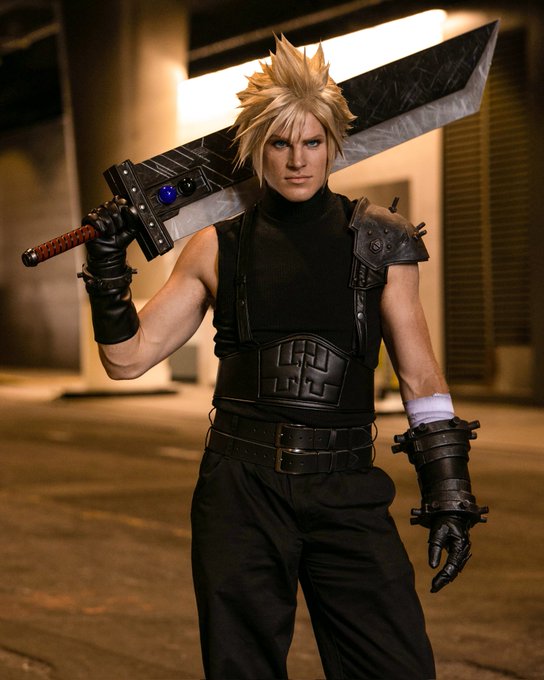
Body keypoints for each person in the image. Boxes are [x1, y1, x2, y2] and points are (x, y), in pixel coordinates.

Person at [79, 36, 487, 680]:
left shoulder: (381, 239)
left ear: (334, 144)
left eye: (312, 142)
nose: (298, 160)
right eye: (279, 143)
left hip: (346, 486)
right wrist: (107, 272)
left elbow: (420, 376)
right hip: (240, 491)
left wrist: (450, 494)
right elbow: (127, 360)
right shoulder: (216, 246)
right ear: (253, 148)